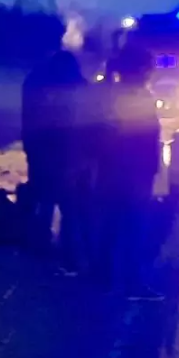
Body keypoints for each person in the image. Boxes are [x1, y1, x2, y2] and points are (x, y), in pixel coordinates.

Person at [95, 44, 163, 301]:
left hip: (111, 170)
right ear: (142, 69)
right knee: (134, 229)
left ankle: (103, 278)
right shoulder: (138, 96)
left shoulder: (111, 93)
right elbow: (144, 138)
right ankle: (133, 284)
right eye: (150, 67)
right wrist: (152, 169)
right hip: (134, 172)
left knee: (110, 226)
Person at [21, 50, 87, 259]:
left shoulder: (34, 81)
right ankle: (69, 250)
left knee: (44, 199)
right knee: (70, 205)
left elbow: (28, 117)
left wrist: (30, 147)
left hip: (39, 151)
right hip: (66, 154)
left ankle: (40, 243)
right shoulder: (75, 84)